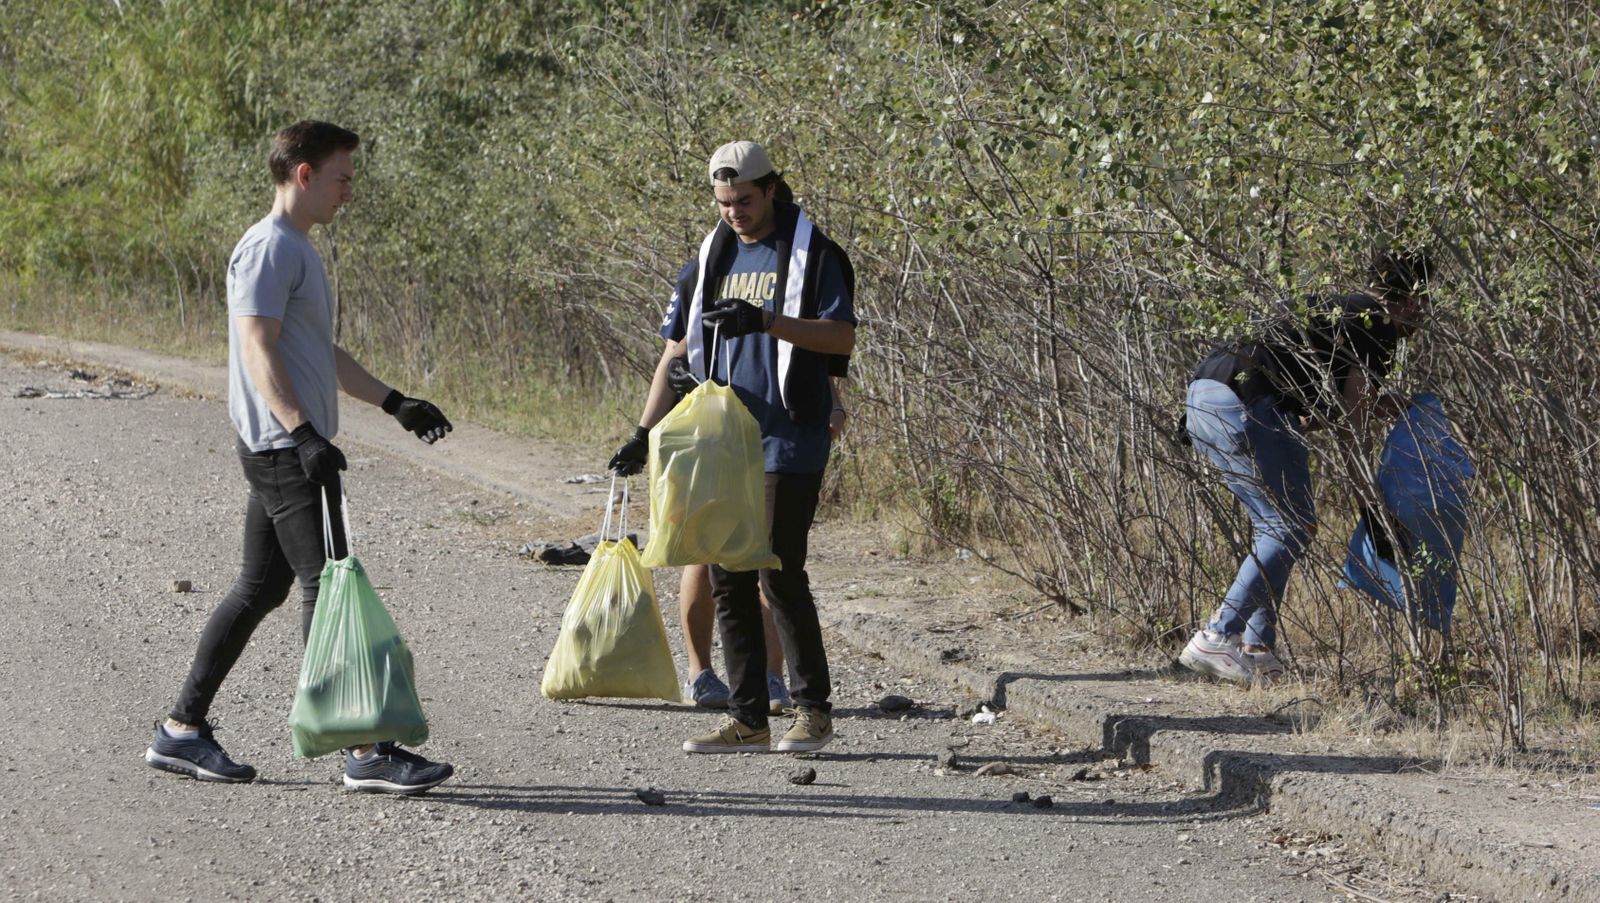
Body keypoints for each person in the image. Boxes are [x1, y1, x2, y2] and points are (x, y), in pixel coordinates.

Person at [144, 120, 457, 793]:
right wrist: (303, 431)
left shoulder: (298, 249)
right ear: (305, 174)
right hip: (286, 447)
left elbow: (318, 351)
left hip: (284, 444)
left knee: (261, 587)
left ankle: (181, 730)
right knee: (326, 581)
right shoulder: (268, 248)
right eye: (342, 177)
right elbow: (257, 346)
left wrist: (396, 401)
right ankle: (362, 745)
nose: (350, 191)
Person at [609, 140, 856, 753]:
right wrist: (644, 432)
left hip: (789, 435)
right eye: (723, 202)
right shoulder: (710, 257)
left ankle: (813, 712)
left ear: (772, 188)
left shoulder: (814, 254)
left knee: (778, 569)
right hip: (721, 441)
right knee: (727, 573)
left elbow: (840, 333)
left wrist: (766, 320)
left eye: (744, 199)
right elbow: (678, 349)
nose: (733, 212)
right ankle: (748, 718)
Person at [1178, 248, 1432, 685]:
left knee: (1273, 527)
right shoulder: (1378, 325)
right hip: (1248, 403)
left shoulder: (1336, 307)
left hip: (1202, 398)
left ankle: (1257, 648)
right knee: (1292, 526)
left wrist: (1373, 405)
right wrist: (1373, 508)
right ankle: (1218, 635)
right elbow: (1352, 434)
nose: (1425, 314)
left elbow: (1319, 408)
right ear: (1410, 298)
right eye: (1425, 302)